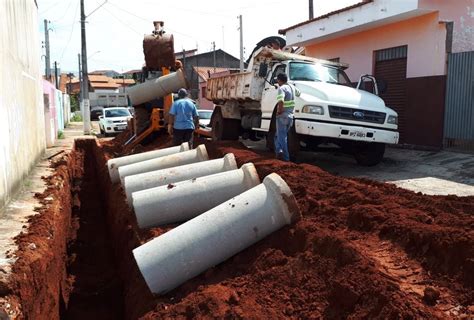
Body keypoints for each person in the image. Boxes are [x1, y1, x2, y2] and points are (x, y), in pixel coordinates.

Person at [274, 73, 300, 161]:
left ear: (279, 80)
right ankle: (279, 151)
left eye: (277, 80)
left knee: (281, 136)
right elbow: (299, 93)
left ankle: (285, 157)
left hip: (283, 115)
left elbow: (281, 100)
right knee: (280, 135)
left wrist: (279, 111)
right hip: (290, 116)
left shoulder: (281, 88)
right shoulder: (292, 87)